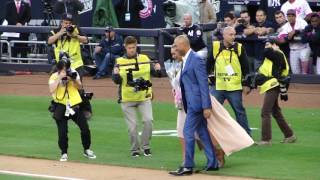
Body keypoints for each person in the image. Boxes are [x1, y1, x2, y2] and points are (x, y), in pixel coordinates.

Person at [169, 35, 219, 176]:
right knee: (202, 133)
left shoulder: (196, 59)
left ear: (184, 45)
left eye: (176, 46)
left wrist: (206, 106)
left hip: (196, 104)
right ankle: (212, 163)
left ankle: (188, 166)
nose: (175, 48)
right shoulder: (185, 60)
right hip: (191, 103)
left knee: (187, 132)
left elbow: (203, 84)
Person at [112, 36, 161, 157]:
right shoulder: (119, 61)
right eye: (129, 48)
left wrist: (158, 69)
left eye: (133, 47)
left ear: (136, 46)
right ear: (125, 47)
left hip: (144, 97)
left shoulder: (144, 58)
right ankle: (135, 149)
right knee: (132, 127)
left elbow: (157, 74)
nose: (132, 50)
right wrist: (116, 74)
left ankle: (146, 146)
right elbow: (117, 81)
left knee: (148, 121)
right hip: (127, 99)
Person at [48, 55, 96, 162]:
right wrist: (60, 78)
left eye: (67, 68)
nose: (67, 71)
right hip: (60, 106)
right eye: (64, 69)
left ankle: (87, 149)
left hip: (74, 105)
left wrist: (73, 80)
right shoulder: (54, 76)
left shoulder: (74, 73)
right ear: (59, 69)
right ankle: (64, 153)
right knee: (62, 132)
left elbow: (80, 87)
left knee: (85, 128)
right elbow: (51, 90)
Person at [207, 27, 251, 135]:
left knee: (239, 112)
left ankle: (246, 136)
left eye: (234, 34)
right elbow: (208, 64)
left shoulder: (239, 48)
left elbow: (246, 68)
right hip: (218, 85)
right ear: (224, 35)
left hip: (234, 87)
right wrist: (208, 76)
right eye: (230, 35)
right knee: (211, 111)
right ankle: (210, 135)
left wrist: (246, 84)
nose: (233, 37)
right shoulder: (215, 46)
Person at [255, 39, 296, 145]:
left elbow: (266, 52)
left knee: (265, 112)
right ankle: (289, 135)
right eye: (265, 44)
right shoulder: (275, 54)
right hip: (272, 84)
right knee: (276, 112)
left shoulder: (277, 53)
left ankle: (266, 140)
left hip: (274, 84)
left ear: (275, 45)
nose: (266, 47)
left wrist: (270, 47)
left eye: (268, 44)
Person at [48, 13, 88, 78]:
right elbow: (49, 41)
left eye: (70, 23)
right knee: (61, 86)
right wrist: (60, 33)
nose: (68, 25)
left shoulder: (75, 29)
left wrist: (75, 36)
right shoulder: (55, 31)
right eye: (66, 23)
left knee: (77, 85)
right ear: (61, 23)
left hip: (76, 63)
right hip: (62, 64)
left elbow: (86, 40)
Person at [278, 9, 311, 74]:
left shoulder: (302, 22)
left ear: (295, 16)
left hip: (304, 48)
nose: (290, 17)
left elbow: (308, 31)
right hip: (293, 50)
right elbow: (281, 37)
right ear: (287, 17)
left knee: (304, 72)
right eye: (289, 16)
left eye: (292, 16)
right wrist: (287, 36)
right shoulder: (285, 26)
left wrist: (296, 31)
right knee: (295, 72)